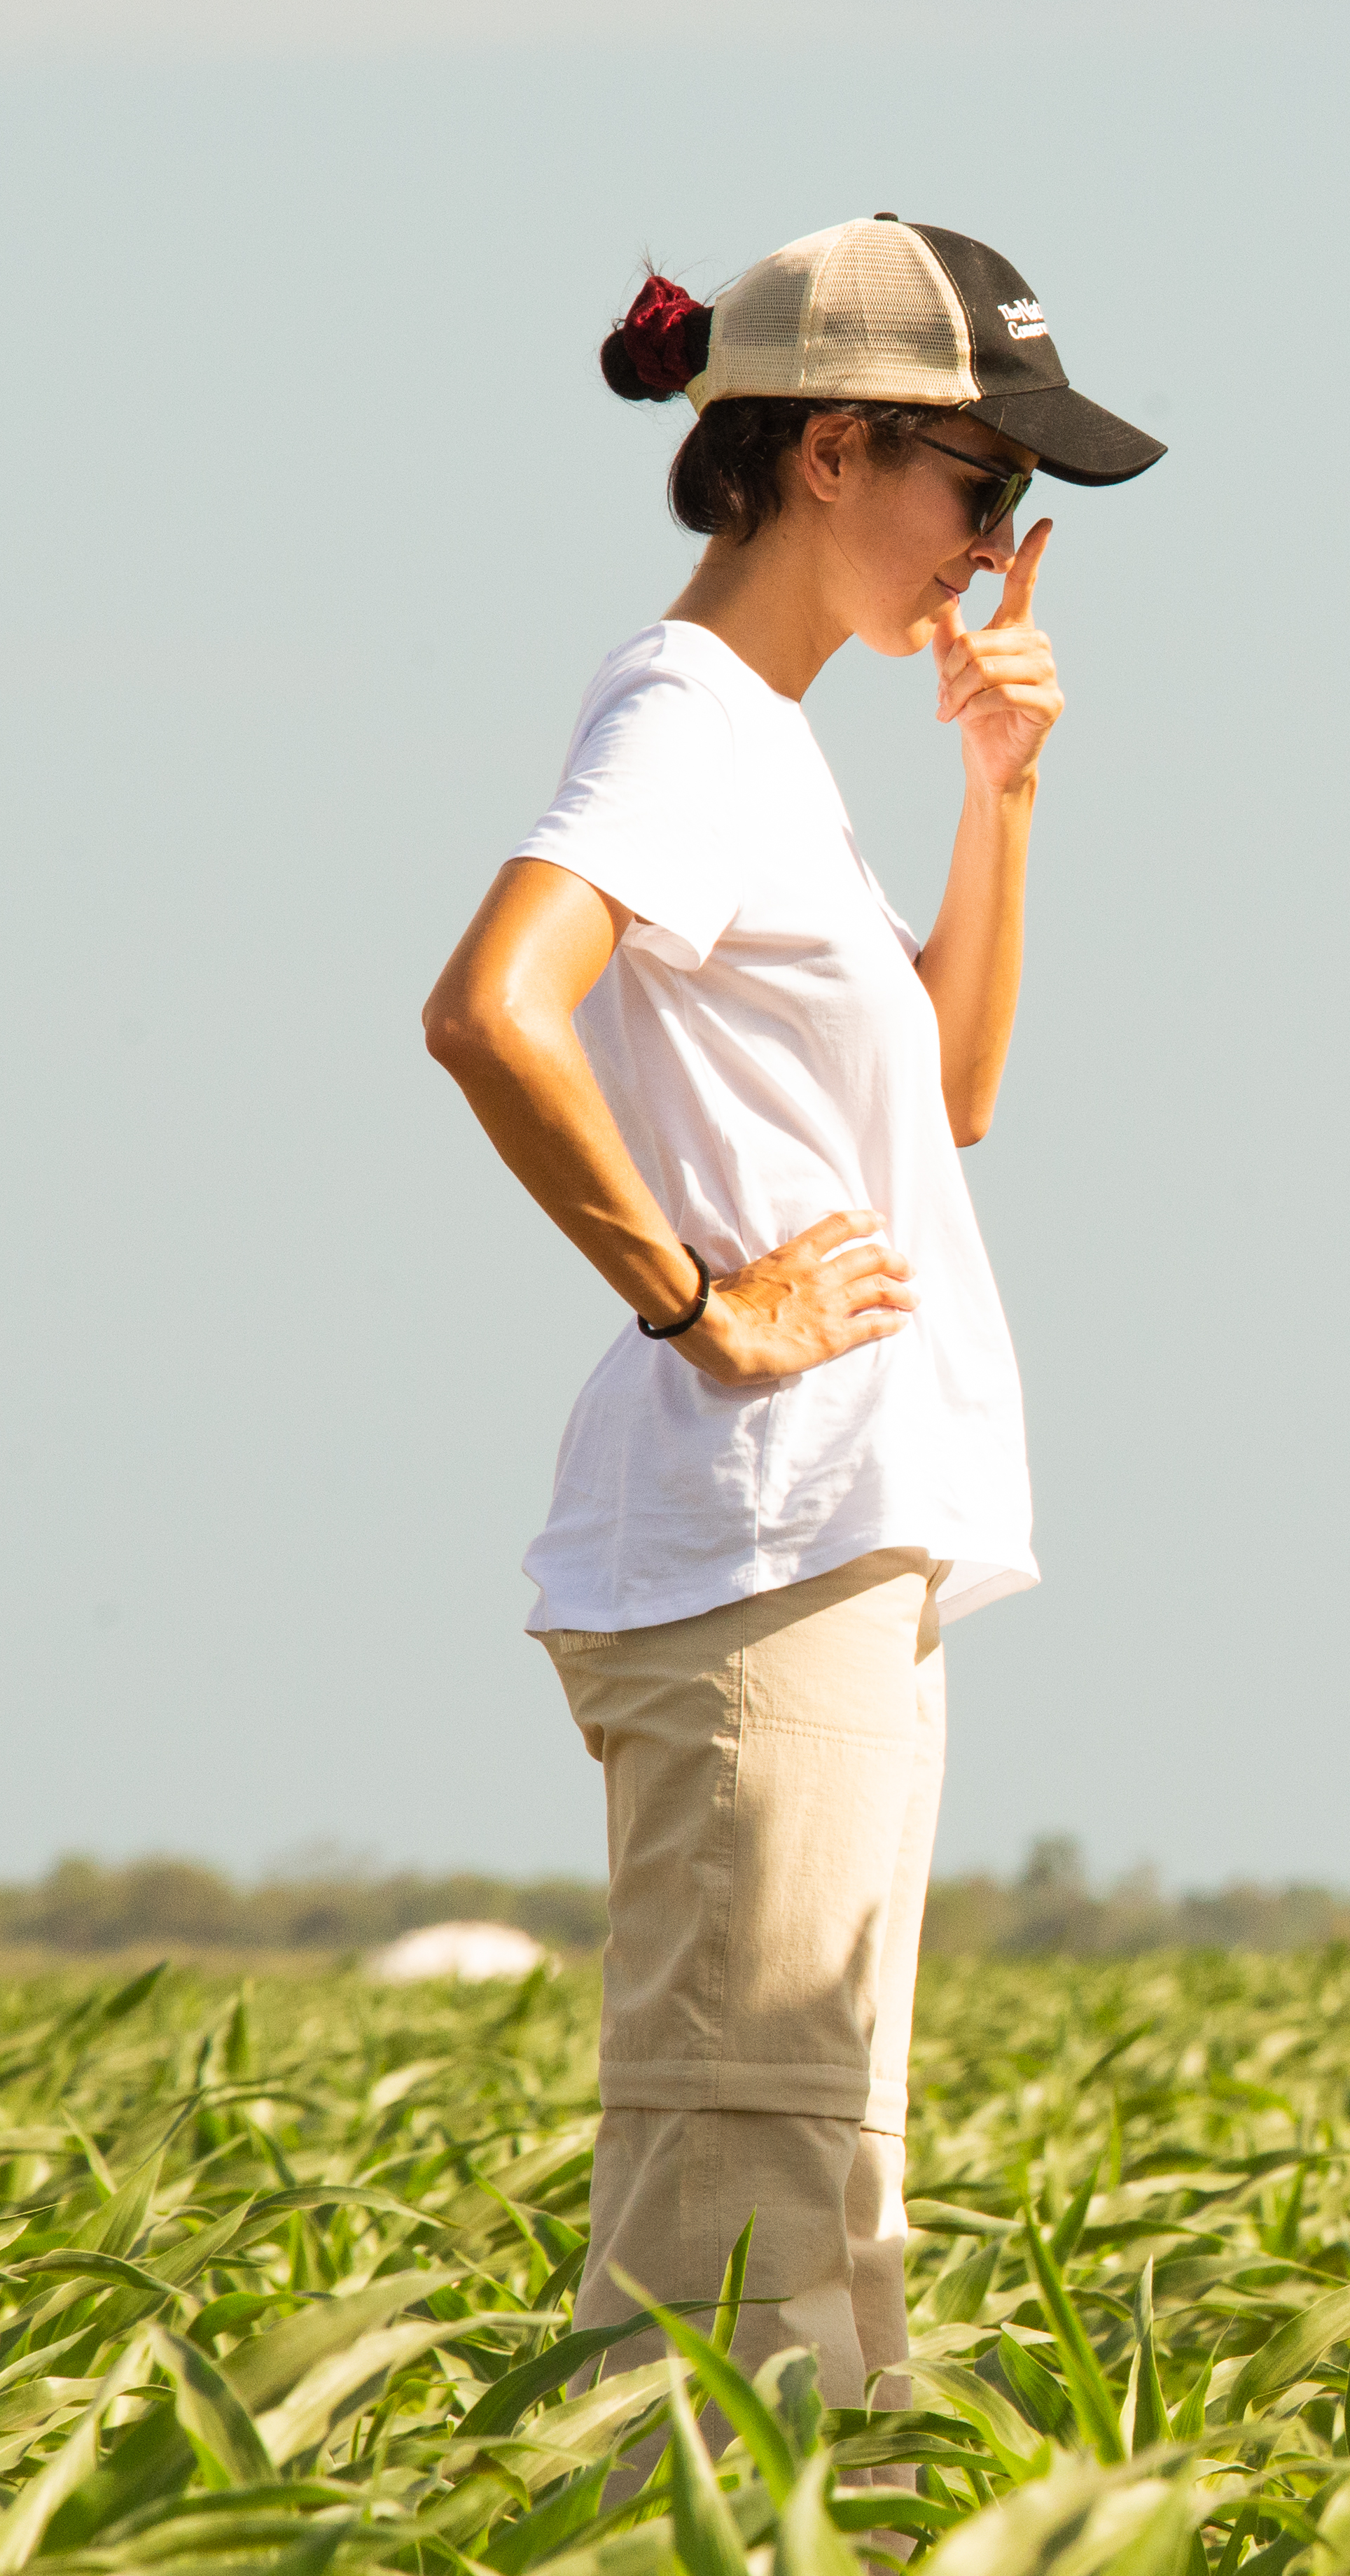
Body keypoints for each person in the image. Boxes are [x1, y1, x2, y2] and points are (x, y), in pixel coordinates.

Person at [417, 213, 1160, 2404]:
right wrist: (695, 1301)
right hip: (756, 1554)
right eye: (980, 486)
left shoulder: (767, 745)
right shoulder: (691, 720)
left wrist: (998, 796)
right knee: (736, 2224)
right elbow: (490, 1009)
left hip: (818, 1560)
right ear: (831, 452)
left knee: (817, 2207)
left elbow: (946, 1102)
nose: (995, 545)